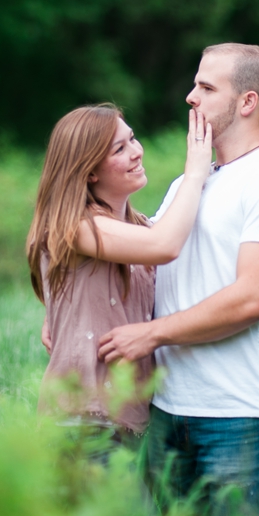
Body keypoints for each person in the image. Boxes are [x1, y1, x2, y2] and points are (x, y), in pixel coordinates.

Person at [98, 43, 259, 516]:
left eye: (206, 87)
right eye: (195, 84)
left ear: (247, 102)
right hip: (169, 413)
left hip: (240, 415)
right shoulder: (186, 186)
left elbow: (251, 299)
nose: (190, 97)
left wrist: (150, 335)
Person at [29, 103, 212, 440]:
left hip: (128, 424)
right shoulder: (75, 227)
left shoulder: (137, 227)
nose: (136, 152)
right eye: (120, 148)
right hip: (83, 422)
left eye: (133, 139)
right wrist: (196, 174)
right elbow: (164, 245)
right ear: (90, 171)